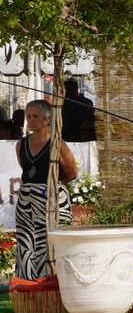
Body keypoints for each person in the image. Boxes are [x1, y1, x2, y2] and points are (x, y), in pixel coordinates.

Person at [15, 99, 78, 279]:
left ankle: (55, 279)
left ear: (48, 119)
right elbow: (26, 170)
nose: (31, 120)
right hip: (27, 200)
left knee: (52, 241)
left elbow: (71, 172)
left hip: (52, 198)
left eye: (36, 116)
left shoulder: (58, 144)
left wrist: (53, 189)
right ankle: (27, 281)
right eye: (28, 116)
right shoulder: (21, 144)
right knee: (27, 242)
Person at [60, 78, 96, 142]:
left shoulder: (68, 104)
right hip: (88, 138)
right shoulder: (88, 102)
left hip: (71, 139)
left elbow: (65, 125)